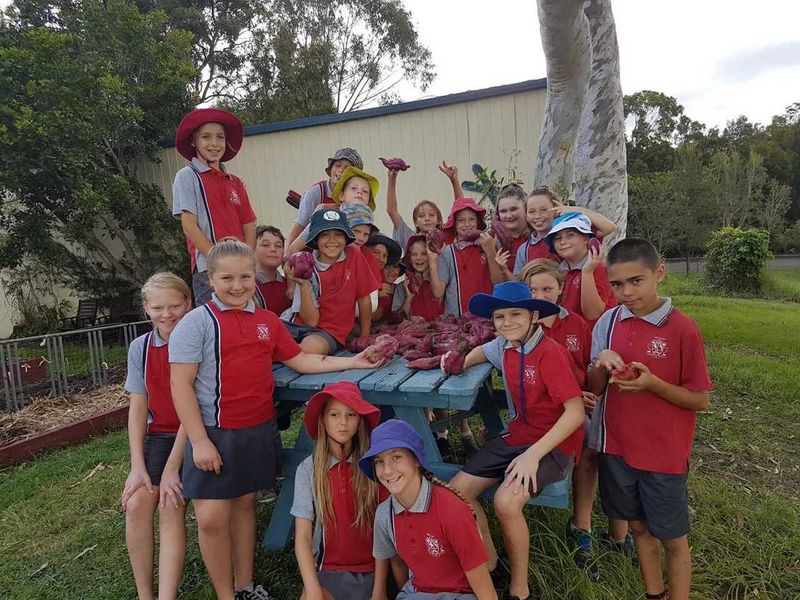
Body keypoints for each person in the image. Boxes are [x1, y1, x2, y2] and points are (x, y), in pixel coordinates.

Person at [169, 239, 386, 600]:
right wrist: (200, 440)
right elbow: (180, 386)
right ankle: (225, 594)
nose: (237, 286)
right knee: (211, 519)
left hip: (257, 429)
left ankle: (245, 587)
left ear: (255, 276)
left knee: (244, 507)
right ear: (210, 279)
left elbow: (302, 360)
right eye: (227, 279)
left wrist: (352, 362)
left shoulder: (268, 322)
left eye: (245, 277)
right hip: (214, 432)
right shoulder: (196, 324)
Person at [587, 238, 712, 600]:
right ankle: (654, 593)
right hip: (617, 448)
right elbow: (594, 388)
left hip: (664, 455)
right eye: (616, 284)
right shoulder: (608, 323)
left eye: (635, 281)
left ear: (659, 273)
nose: (626, 292)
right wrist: (601, 361)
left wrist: (653, 383)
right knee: (638, 528)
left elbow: (700, 399)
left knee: (673, 538)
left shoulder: (681, 329)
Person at [447, 282, 585, 600]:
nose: (507, 322)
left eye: (515, 314)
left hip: (553, 445)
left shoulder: (551, 353)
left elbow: (575, 413)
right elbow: (484, 350)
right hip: (517, 436)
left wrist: (533, 455)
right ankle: (492, 563)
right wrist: (461, 361)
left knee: (506, 502)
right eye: (499, 317)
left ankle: (519, 587)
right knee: (457, 493)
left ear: (534, 315)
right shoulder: (505, 345)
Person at [519, 259, 632, 579]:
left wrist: (584, 392)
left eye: (547, 288)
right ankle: (583, 524)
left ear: (560, 290)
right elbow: (520, 379)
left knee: (601, 445)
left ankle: (600, 527)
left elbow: (588, 371)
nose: (540, 295)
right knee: (585, 442)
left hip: (580, 405)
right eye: (532, 290)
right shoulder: (523, 327)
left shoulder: (579, 326)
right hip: (545, 410)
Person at [359, 420, 498, 600]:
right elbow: (397, 563)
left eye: (396, 457)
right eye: (379, 461)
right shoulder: (385, 514)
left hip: (459, 595)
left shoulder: (451, 509)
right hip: (416, 593)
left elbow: (485, 590)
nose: (387, 470)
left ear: (416, 460)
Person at [122, 272, 192, 600]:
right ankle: (144, 594)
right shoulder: (141, 347)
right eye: (158, 307)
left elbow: (197, 411)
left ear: (188, 303)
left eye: (175, 305)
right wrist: (137, 466)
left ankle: (166, 595)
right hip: (159, 438)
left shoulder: (197, 342)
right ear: (146, 309)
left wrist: (171, 469)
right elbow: (138, 409)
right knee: (136, 503)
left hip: (194, 435)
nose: (167, 314)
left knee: (169, 502)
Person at [291, 382, 389, 600]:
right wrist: (313, 588)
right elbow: (303, 537)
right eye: (334, 415)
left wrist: (379, 591)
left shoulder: (374, 466)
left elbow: (384, 532)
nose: (343, 423)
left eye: (351, 415)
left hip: (374, 572)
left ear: (360, 420)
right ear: (323, 420)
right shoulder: (309, 469)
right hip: (328, 572)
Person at [172, 108, 256, 305]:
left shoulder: (234, 181)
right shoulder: (187, 176)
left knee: (248, 323)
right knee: (216, 326)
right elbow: (189, 226)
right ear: (194, 141)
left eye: (220, 137)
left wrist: (248, 261)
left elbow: (248, 225)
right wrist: (216, 260)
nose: (214, 144)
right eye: (206, 137)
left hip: (241, 270)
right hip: (208, 270)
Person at [282, 209, 379, 355]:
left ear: (347, 238)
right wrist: (302, 283)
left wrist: (365, 335)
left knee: (310, 348)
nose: (332, 241)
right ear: (315, 239)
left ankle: (286, 354)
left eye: (339, 235)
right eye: (324, 235)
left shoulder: (354, 255)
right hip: (293, 323)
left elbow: (364, 298)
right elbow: (310, 321)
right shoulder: (305, 263)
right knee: (265, 335)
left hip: (330, 332)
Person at [512, 186, 616, 278]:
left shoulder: (575, 234)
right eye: (531, 211)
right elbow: (519, 281)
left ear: (557, 209)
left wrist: (574, 210)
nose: (537, 216)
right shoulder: (525, 249)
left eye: (544, 210)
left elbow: (609, 227)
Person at [429, 197, 503, 318]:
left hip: (488, 319)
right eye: (461, 220)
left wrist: (490, 251)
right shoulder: (448, 252)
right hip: (457, 322)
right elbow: (438, 293)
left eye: (472, 219)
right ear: (454, 224)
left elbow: (499, 282)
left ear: (478, 222)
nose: (467, 224)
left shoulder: (491, 244)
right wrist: (432, 259)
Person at [287, 166, 381, 256]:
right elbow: (294, 249)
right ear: (341, 196)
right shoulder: (325, 217)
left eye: (365, 191)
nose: (359, 192)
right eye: (353, 188)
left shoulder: (369, 224)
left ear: (369, 202)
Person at [545, 212, 617, 327]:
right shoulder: (560, 271)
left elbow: (592, 314)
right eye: (557, 238)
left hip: (593, 338)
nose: (563, 242)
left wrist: (587, 272)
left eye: (570, 235)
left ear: (586, 238)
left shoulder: (599, 268)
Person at [287, 148, 363, 250]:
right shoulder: (316, 192)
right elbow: (299, 226)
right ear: (331, 168)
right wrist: (287, 254)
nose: (340, 170)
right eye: (338, 165)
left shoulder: (359, 196)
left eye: (347, 168)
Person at [385, 160, 458, 250]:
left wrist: (454, 180)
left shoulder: (446, 236)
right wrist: (392, 179)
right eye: (421, 216)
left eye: (431, 215)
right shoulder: (409, 238)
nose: (427, 219)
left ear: (438, 220)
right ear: (416, 222)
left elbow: (460, 208)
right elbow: (392, 211)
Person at [391, 235, 443, 322]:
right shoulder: (403, 286)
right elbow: (395, 320)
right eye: (414, 254)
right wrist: (408, 299)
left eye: (424, 254)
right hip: (412, 333)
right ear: (409, 258)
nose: (419, 258)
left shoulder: (440, 283)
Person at [490, 184, 531, 274]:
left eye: (514, 209)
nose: (508, 215)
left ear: (526, 209)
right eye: (503, 211)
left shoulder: (536, 237)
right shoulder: (492, 240)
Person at [254, 225, 293, 316]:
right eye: (265, 245)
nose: (273, 249)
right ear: (252, 249)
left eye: (278, 246)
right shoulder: (248, 285)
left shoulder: (290, 283)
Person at [364, 233, 403, 322]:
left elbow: (377, 315)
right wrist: (374, 295)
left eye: (385, 255)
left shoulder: (382, 279)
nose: (381, 259)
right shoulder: (352, 272)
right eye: (376, 252)